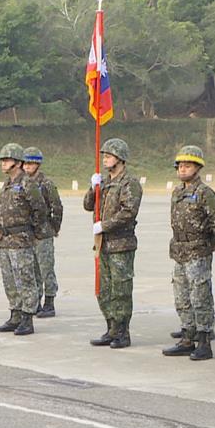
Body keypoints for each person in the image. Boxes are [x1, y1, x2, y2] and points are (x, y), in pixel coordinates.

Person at [161, 145, 215, 360]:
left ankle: (204, 340)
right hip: (179, 251)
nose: (182, 169)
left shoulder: (204, 193)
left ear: (197, 168)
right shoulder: (177, 192)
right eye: (179, 166)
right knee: (182, 296)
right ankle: (187, 336)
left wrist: (212, 244)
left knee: (200, 296)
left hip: (198, 251)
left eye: (187, 166)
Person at [85, 138, 143, 349]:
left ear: (120, 158)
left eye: (109, 155)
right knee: (104, 289)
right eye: (105, 155)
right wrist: (94, 188)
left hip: (121, 244)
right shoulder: (105, 182)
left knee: (120, 290)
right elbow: (87, 205)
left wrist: (105, 225)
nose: (105, 159)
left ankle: (122, 332)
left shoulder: (129, 183)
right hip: (102, 244)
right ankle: (110, 327)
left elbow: (128, 212)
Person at [0, 142, 46, 336]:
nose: (3, 163)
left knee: (25, 279)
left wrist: (31, 231)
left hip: (21, 239)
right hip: (6, 239)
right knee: (9, 280)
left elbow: (40, 209)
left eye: (6, 160)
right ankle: (15, 314)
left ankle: (27, 317)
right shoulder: (7, 184)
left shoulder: (27, 183)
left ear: (17, 162)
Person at [23, 147, 64, 318]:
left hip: (44, 232)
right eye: (25, 163)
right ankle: (36, 302)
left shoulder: (46, 184)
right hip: (28, 233)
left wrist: (53, 228)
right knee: (32, 270)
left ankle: (49, 302)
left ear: (38, 164)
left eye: (31, 163)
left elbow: (57, 207)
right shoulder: (22, 183)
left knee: (46, 268)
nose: (27, 167)